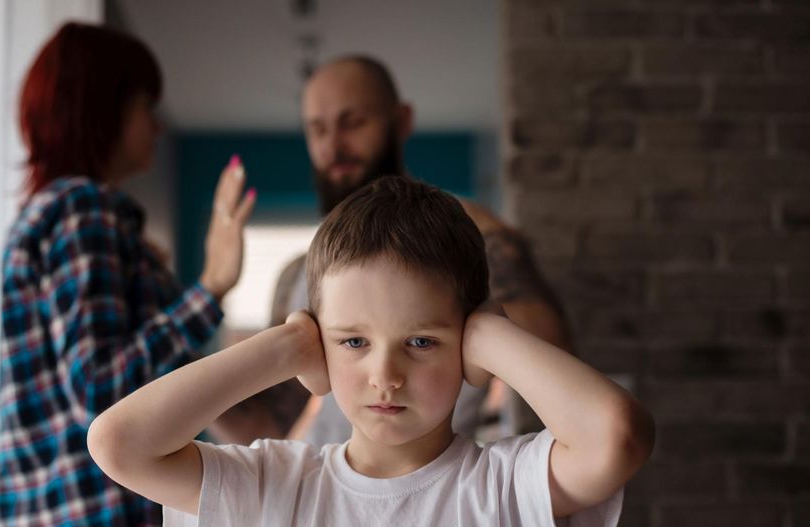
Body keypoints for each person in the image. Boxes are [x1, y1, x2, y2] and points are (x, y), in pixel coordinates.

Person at [88, 176, 654, 526]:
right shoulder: (274, 485)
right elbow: (118, 444)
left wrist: (488, 336)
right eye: (353, 341)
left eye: (421, 342)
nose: (386, 375)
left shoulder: (503, 486)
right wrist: (287, 347)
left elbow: (618, 436)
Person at [222, 54, 573, 446]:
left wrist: (478, 245)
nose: (333, 147)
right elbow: (269, 427)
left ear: (401, 120)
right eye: (318, 130)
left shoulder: (467, 239)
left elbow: (552, 347)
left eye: (352, 123)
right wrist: (206, 296)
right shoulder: (297, 276)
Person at [0, 23, 255, 525]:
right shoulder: (82, 210)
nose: (157, 126)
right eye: (145, 107)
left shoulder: (54, 211)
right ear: (102, 109)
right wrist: (211, 288)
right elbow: (100, 390)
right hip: (97, 509)